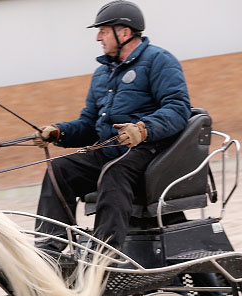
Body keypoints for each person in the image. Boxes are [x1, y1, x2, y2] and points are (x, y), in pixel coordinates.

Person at [33, 1, 192, 255]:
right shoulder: (101, 74)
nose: (98, 37)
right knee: (59, 170)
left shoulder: (159, 61)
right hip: (112, 150)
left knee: (113, 171)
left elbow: (178, 108)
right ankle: (49, 250)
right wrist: (58, 132)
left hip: (149, 152)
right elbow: (89, 125)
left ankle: (105, 252)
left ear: (125, 33)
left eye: (104, 31)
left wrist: (143, 129)